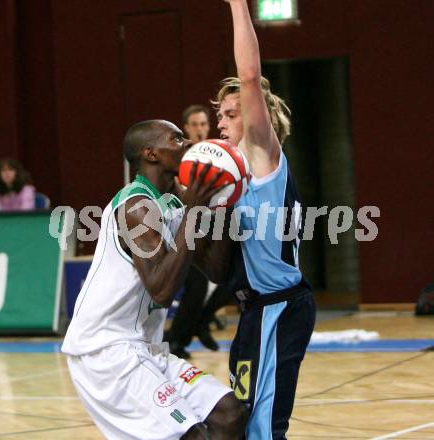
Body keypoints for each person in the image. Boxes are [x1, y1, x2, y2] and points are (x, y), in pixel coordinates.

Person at [61, 120, 247, 440]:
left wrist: (223, 204)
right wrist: (193, 211)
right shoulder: (135, 206)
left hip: (146, 349)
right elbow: (161, 291)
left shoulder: (176, 201)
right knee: (191, 436)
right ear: (151, 153)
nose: (187, 143)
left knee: (229, 415)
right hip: (106, 351)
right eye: (176, 138)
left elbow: (216, 270)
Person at [212, 1, 316, 438]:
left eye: (231, 114)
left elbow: (250, 76)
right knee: (242, 424)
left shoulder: (264, 159)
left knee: (264, 430)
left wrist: (237, 4)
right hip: (254, 313)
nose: (221, 122)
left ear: (259, 121)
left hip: (281, 309)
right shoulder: (231, 181)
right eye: (219, 114)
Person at [167, 104, 222, 358]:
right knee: (197, 285)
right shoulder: (182, 158)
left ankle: (196, 326)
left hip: (211, 228)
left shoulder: (219, 155)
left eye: (203, 124)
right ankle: (176, 340)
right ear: (186, 128)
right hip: (181, 230)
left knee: (229, 278)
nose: (200, 129)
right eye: (195, 125)